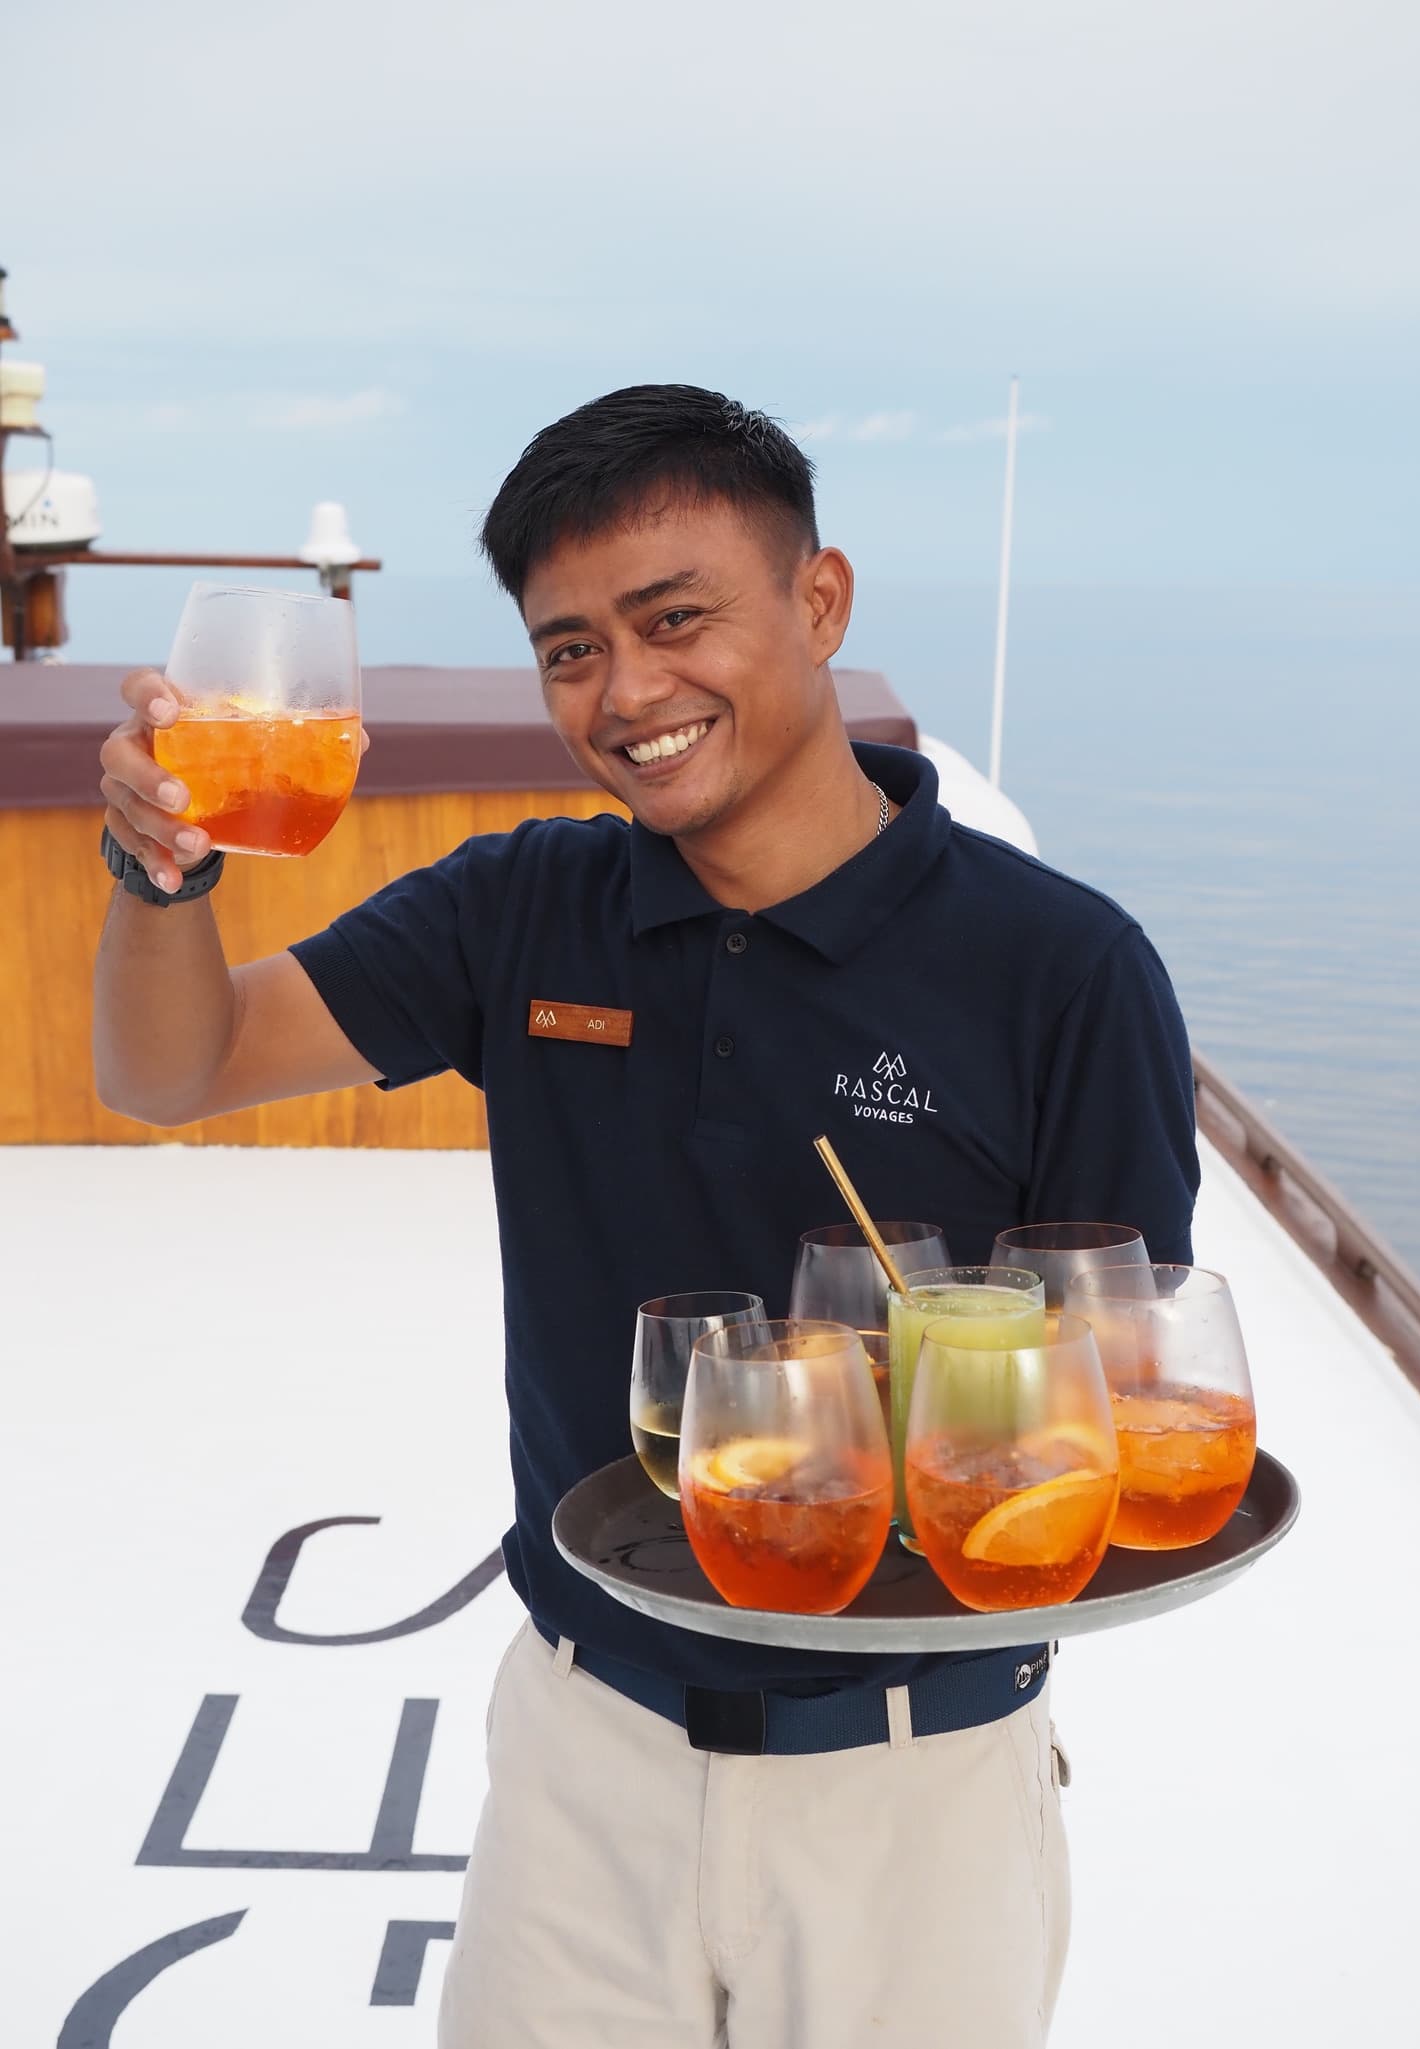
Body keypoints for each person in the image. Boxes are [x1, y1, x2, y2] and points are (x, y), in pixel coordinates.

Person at [94, 384, 1199, 2049]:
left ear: (817, 601)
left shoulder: (1062, 969)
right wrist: (161, 876)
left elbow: (1124, 1386)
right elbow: (177, 1067)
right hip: (582, 1746)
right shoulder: (522, 905)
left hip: (917, 1779)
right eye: (569, 649)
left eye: (674, 621)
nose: (626, 693)